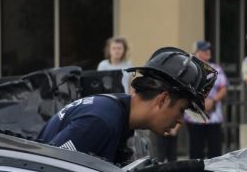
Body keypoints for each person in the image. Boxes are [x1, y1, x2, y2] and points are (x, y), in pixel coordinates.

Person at [39, 47, 213, 165]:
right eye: (181, 110)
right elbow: (45, 170)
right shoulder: (100, 121)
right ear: (163, 100)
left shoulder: (118, 115)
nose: (181, 120)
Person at [184, 40, 228, 159]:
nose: (208, 52)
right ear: (197, 52)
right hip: (194, 116)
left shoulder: (216, 68)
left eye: (209, 49)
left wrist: (213, 100)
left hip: (213, 117)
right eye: (204, 50)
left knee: (215, 151)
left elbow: (223, 88)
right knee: (196, 151)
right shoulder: (189, 69)